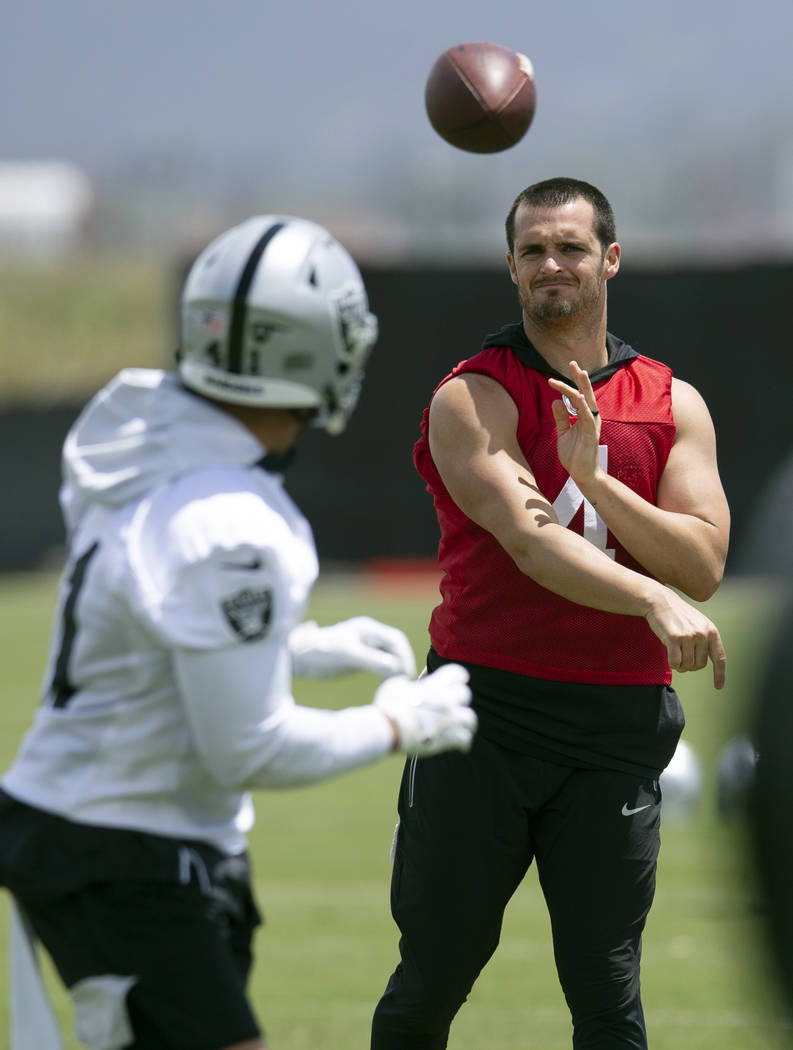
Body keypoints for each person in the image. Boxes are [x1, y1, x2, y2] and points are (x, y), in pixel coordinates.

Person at [0, 215, 477, 1050]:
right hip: (121, 848)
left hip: (102, 830)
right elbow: (250, 749)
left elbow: (153, 624)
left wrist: (300, 648)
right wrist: (404, 721)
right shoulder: (233, 521)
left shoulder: (146, 443)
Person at [370, 177, 730, 1050]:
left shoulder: (668, 400)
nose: (549, 265)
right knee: (435, 972)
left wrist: (601, 478)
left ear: (608, 258)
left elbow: (703, 565)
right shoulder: (474, 395)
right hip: (480, 717)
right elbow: (531, 542)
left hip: (614, 727)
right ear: (510, 268)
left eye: (568, 247)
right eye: (531, 251)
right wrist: (649, 594)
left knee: (607, 994)